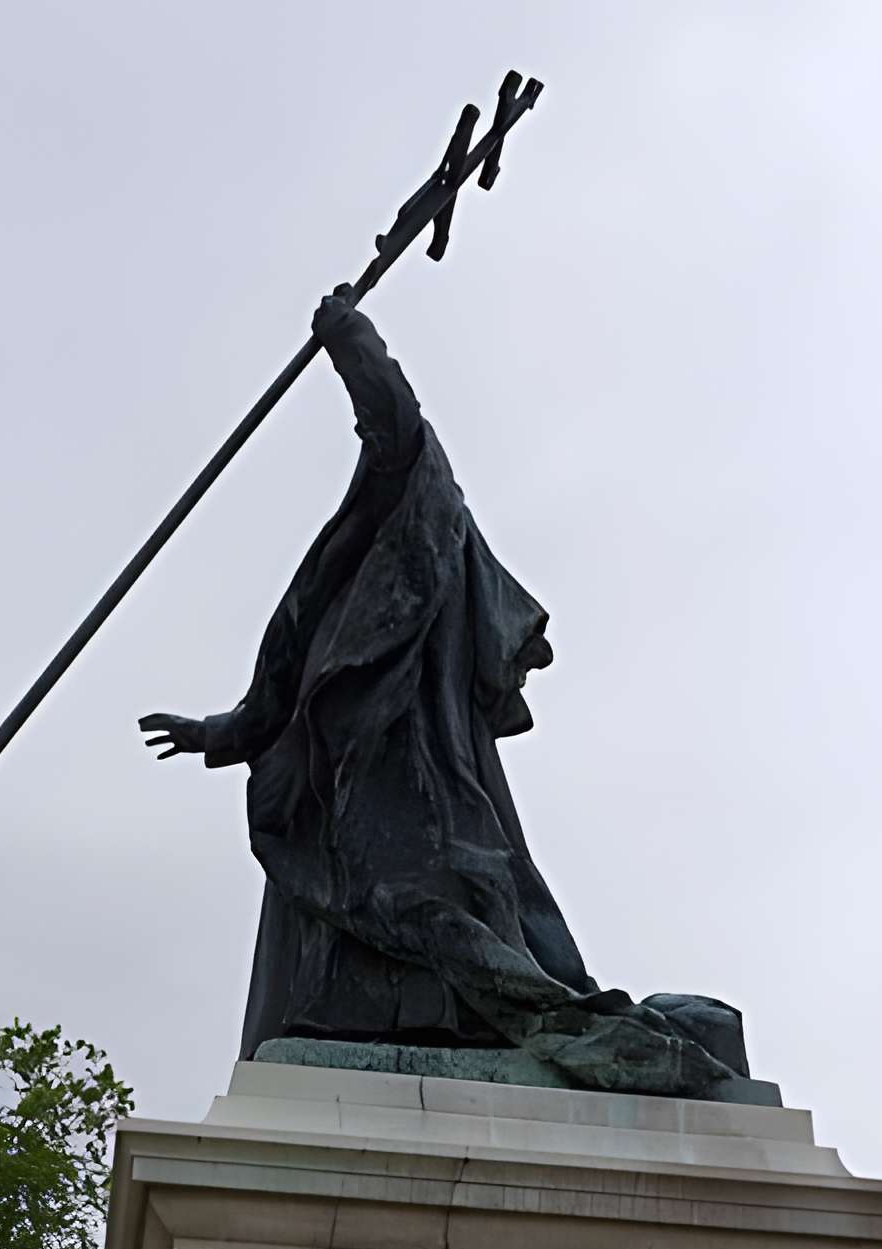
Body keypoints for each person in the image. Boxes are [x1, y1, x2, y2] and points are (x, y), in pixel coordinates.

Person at [141, 292, 763, 1102]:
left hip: (409, 769)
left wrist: (350, 341)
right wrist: (222, 732)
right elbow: (295, 673)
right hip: (361, 778)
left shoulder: (416, 514)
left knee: (438, 902)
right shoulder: (349, 560)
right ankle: (418, 1024)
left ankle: (493, 1025)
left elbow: (397, 433)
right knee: (403, 909)